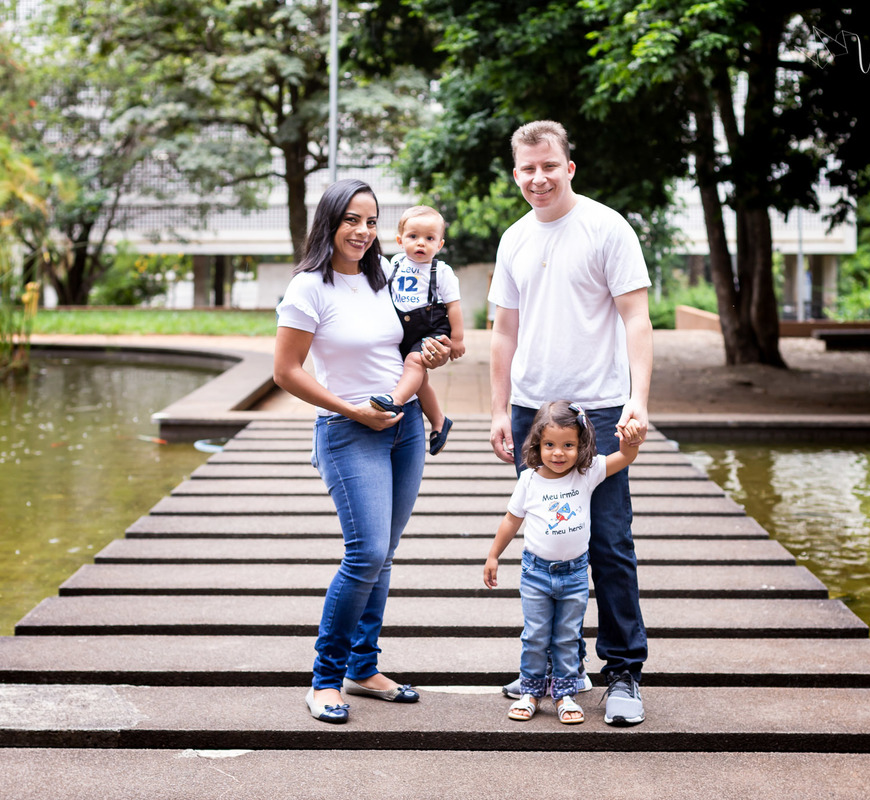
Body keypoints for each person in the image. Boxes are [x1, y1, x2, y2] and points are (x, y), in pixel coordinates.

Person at [488, 120, 654, 727]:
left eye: (549, 166)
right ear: (516, 174)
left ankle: (624, 672)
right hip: (533, 408)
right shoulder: (513, 239)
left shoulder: (607, 227)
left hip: (601, 407)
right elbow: (503, 330)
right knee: (545, 531)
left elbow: (636, 318)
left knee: (608, 541)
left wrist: (638, 398)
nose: (538, 178)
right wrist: (499, 408)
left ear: (569, 167)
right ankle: (557, 669)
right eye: (527, 169)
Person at [273, 178, 450, 724]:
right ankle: (325, 680)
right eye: (352, 219)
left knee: (384, 555)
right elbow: (285, 372)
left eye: (371, 222)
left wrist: (433, 403)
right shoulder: (308, 289)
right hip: (348, 431)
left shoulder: (385, 281)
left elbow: (406, 358)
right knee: (367, 553)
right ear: (329, 222)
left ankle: (363, 667)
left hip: (405, 430)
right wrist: (354, 412)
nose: (363, 231)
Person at [484, 401, 641, 725]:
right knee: (536, 635)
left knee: (567, 635)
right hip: (536, 574)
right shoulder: (529, 480)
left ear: (581, 446)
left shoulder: (586, 473)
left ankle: (565, 692)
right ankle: (530, 690)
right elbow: (511, 520)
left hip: (574, 576)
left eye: (569, 445)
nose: (559, 453)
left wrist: (630, 442)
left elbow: (623, 458)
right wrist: (493, 555)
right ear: (537, 445)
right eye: (550, 445)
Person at [368, 205, 465, 455]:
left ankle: (395, 400)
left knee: (414, 363)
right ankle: (440, 421)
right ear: (400, 240)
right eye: (413, 237)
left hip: (430, 326)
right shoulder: (396, 263)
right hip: (403, 326)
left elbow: (454, 306)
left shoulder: (441, 271)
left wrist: (457, 339)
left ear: (440, 244)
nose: (421, 243)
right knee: (419, 381)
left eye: (429, 238)